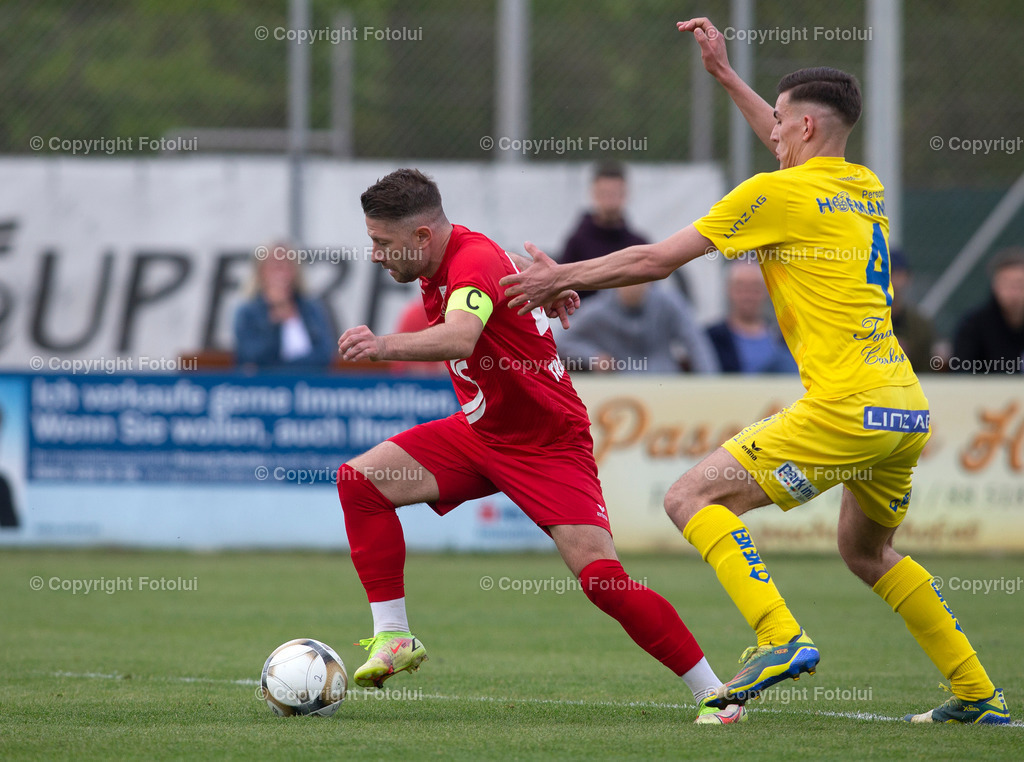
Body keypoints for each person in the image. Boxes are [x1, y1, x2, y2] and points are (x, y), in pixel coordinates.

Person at [501, 17, 1009, 725]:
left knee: (691, 499)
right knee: (869, 551)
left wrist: (561, 274)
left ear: (799, 129)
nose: (770, 130)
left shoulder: (774, 197)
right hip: (903, 411)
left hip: (845, 407)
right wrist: (725, 76)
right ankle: (978, 694)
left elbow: (656, 260)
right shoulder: (861, 187)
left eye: (779, 121)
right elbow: (790, 138)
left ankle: (778, 636)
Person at [335, 168, 745, 724]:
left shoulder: (470, 261)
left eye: (383, 243)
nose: (377, 255)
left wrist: (382, 345)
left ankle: (716, 696)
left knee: (604, 583)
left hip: (548, 445)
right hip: (481, 434)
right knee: (360, 481)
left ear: (423, 237)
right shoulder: (453, 260)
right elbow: (501, 293)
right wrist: (545, 293)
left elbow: (460, 335)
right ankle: (394, 638)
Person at [557, 281, 719, 373]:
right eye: (627, 280)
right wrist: (593, 356)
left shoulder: (668, 304)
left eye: (639, 280)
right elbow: (561, 341)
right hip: (620, 390)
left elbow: (695, 342)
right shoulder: (599, 310)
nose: (633, 286)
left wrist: (710, 385)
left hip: (666, 385)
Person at [233, 242, 335, 370]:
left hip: (309, 385)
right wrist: (276, 323)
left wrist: (285, 368)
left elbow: (324, 355)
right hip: (267, 388)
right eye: (273, 266)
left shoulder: (312, 309)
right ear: (260, 272)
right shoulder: (247, 312)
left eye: (285, 265)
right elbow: (251, 356)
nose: (280, 273)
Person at [560, 161, 649, 300]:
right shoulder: (577, 243)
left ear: (625, 194)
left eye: (615, 194)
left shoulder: (638, 244)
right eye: (604, 193)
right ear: (594, 194)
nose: (610, 201)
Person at [706, 260, 798, 373]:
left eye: (754, 289)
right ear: (728, 290)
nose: (747, 296)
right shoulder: (712, 338)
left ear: (766, 291)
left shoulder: (784, 336)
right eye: (740, 288)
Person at [952, 248, 1024, 374]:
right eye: (1007, 284)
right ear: (995, 286)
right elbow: (961, 370)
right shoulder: (973, 325)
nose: (1014, 292)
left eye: (1020, 284)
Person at [888, 249, 936, 374]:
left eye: (897, 274)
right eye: (887, 273)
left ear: (908, 278)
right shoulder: (862, 321)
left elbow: (927, 369)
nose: (892, 280)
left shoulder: (920, 325)